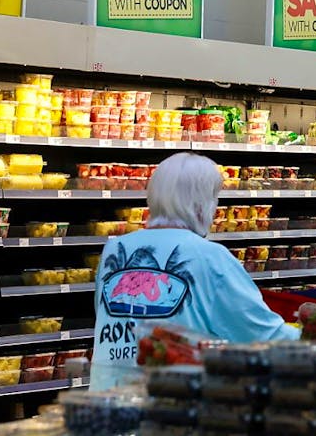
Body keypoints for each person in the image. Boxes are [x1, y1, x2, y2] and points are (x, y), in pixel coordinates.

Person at [90, 152, 299, 389]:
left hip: (104, 407)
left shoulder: (115, 250)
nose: (216, 208)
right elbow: (263, 337)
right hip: (172, 410)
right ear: (201, 203)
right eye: (214, 198)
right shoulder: (210, 257)